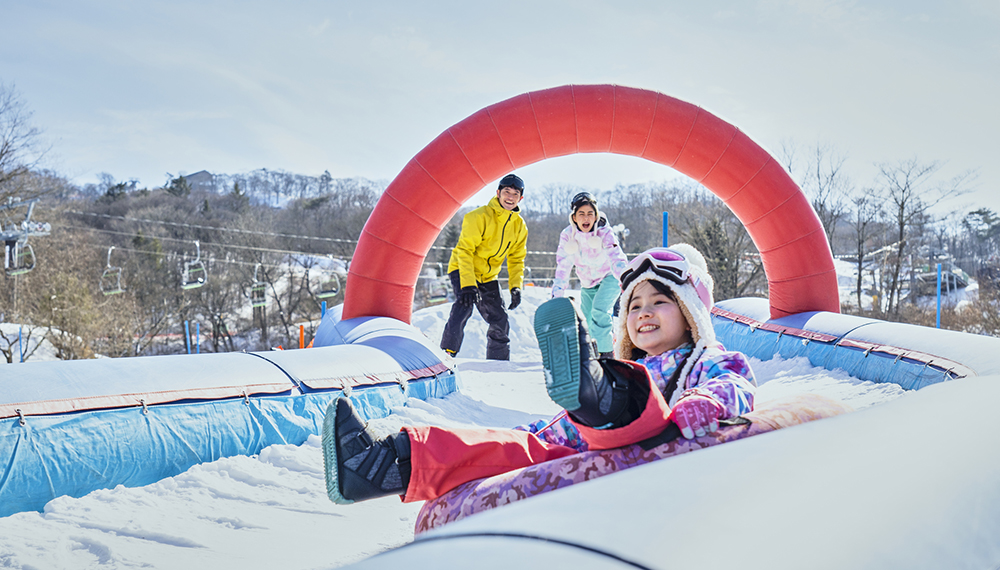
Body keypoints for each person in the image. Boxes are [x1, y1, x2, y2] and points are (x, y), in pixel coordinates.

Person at [324, 243, 756, 505]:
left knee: (634, 396)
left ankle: (598, 395)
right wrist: (524, 433)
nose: (644, 312)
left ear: (691, 313)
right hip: (571, 447)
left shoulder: (702, 359)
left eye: (659, 301)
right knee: (493, 446)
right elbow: (548, 432)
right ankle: (378, 465)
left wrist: (707, 400)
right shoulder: (635, 364)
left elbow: (735, 381)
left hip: (639, 443)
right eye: (634, 305)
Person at [439, 173, 528, 361]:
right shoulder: (478, 217)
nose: (510, 197)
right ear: (498, 193)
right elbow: (465, 251)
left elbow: (516, 259)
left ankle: (498, 362)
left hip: (488, 276)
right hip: (463, 268)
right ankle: (446, 354)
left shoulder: (520, 226)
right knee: (464, 306)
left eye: (515, 194)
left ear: (520, 198)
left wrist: (515, 286)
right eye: (507, 192)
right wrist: (468, 285)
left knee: (500, 318)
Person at [550, 192, 629, 359]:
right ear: (574, 217)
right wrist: (557, 295)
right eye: (581, 214)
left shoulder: (604, 232)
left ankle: (606, 355)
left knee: (599, 310)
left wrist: (625, 278)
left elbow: (616, 256)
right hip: (587, 282)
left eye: (590, 214)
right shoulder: (568, 236)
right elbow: (563, 267)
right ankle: (592, 354)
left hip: (609, 276)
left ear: (596, 216)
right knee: (587, 319)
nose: (586, 218)